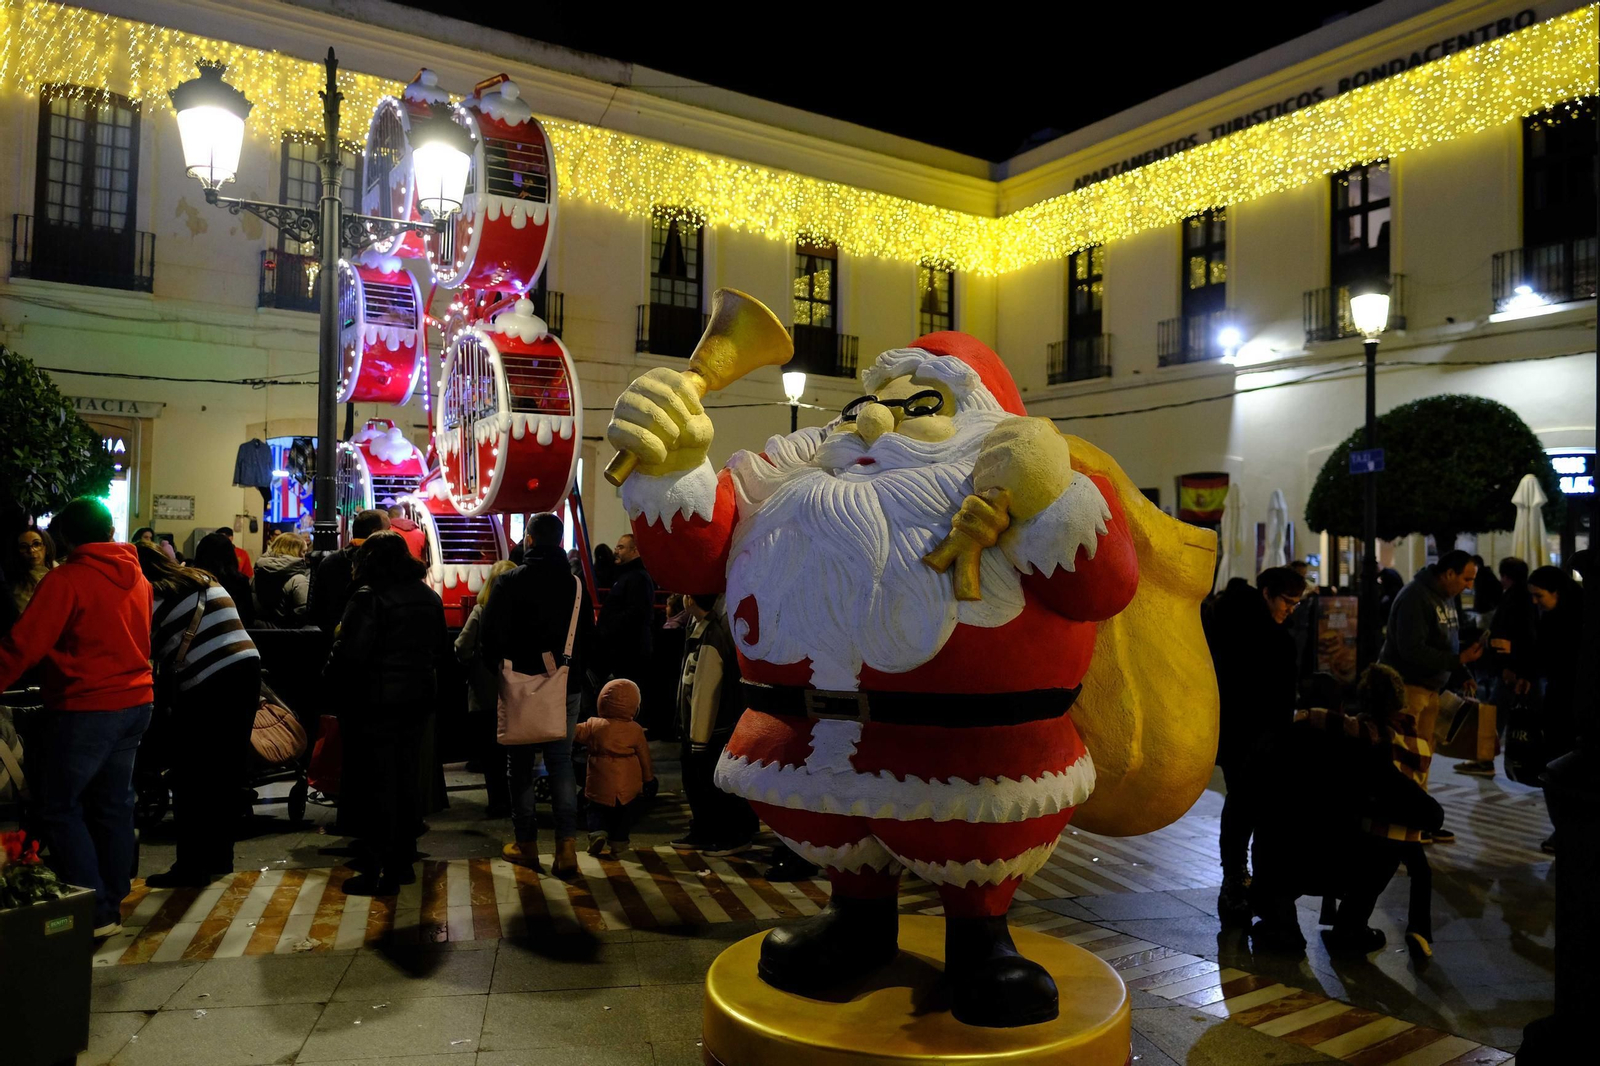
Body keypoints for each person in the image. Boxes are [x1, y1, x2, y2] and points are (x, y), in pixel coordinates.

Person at [0, 498, 153, 936]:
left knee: (58, 806)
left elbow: (23, 645)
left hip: (87, 706)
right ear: (110, 531)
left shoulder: (66, 580)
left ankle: (96, 910)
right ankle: (112, 898)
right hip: (136, 702)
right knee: (113, 804)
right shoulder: (138, 576)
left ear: (64, 538)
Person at [1242, 667, 1443, 954]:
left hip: (1278, 864)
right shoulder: (1363, 749)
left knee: (1270, 843)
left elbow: (1243, 807)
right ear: (1340, 708)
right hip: (1339, 863)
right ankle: (1351, 927)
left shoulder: (1273, 741)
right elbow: (1420, 808)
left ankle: (1282, 924)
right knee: (1388, 842)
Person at [324, 531, 447, 895]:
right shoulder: (428, 597)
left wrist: (328, 680)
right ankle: (402, 861)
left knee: (376, 784)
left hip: (374, 702)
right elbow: (441, 649)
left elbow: (350, 653)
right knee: (407, 780)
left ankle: (377, 868)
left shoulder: (369, 596)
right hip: (418, 700)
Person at [137, 544, 260, 887]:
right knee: (225, 774)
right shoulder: (202, 579)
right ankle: (220, 858)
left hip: (208, 681)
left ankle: (191, 867)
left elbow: (143, 649)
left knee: (191, 777)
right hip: (246, 671)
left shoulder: (152, 596)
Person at [482, 512, 594, 880]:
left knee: (519, 764)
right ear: (560, 541)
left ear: (528, 540)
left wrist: (500, 670)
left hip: (519, 683)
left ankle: (526, 844)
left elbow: (490, 636)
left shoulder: (509, 581)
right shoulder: (575, 586)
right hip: (565, 684)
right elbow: (589, 636)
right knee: (561, 761)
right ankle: (566, 849)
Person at [1204, 566, 1305, 925]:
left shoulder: (1255, 627)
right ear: (1266, 594)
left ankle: (1245, 879)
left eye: (1296, 603)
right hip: (1245, 734)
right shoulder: (1243, 629)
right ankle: (1236, 878)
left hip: (1257, 736)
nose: (1290, 609)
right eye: (1287, 601)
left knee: (1250, 805)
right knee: (1244, 805)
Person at [1326, 664, 1446, 958]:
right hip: (1405, 826)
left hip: (1370, 821)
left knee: (1370, 878)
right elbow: (1423, 757)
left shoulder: (1357, 727)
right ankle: (1418, 930)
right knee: (1420, 873)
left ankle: (1348, 925)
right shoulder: (1404, 732)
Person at [1378, 550, 1484, 844]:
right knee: (1406, 757)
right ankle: (1405, 822)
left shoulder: (1445, 597)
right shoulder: (1415, 597)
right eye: (1466, 579)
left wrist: (1461, 670)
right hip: (1408, 687)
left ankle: (1419, 819)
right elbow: (1411, 650)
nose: (1469, 586)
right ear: (1448, 573)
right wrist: (1457, 661)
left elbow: (1448, 643)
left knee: (1422, 756)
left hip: (1431, 688)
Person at [671, 593, 758, 854]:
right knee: (699, 781)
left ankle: (731, 834)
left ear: (691, 600)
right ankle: (705, 829)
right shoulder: (702, 627)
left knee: (713, 783)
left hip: (713, 726)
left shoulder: (714, 633)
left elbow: (707, 689)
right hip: (702, 725)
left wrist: (698, 736)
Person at [1456, 557, 1535, 778]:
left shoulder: (1515, 599)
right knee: (1496, 713)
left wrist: (1510, 665)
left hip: (1510, 668)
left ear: (1506, 576)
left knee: (1493, 714)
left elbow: (1517, 634)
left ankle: (1484, 760)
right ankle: (1484, 759)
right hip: (1512, 667)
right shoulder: (1522, 597)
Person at [454, 558, 518, 818]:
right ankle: (518, 801)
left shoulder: (480, 611)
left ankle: (497, 802)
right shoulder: (523, 614)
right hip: (517, 693)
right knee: (516, 752)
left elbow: (462, 646)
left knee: (491, 754)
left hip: (485, 691)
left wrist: (472, 664)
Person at [577, 679, 657, 856]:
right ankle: (619, 843)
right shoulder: (636, 730)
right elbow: (644, 758)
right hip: (627, 785)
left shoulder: (593, 725)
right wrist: (648, 779)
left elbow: (572, 732)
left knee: (595, 808)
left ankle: (597, 832)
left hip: (599, 781)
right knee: (623, 815)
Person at [311, 509, 389, 632]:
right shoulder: (385, 562)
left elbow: (317, 607)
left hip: (333, 633)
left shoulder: (329, 561)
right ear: (375, 532)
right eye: (388, 530)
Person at [596, 533, 655, 684]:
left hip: (628, 652)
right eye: (616, 547)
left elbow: (635, 614)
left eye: (621, 547)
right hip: (624, 649)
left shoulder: (638, 578)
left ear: (635, 550)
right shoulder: (628, 576)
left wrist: (607, 627)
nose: (616, 551)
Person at [192, 532, 255, 628]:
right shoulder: (240, 582)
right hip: (232, 632)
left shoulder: (193, 580)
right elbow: (248, 617)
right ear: (231, 555)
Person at [251, 533, 313, 626]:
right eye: (303, 552)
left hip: (259, 629)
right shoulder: (298, 580)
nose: (305, 556)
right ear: (295, 552)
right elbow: (303, 613)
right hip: (286, 632)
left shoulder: (259, 573)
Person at [9, 526, 55, 618]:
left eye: (36, 544)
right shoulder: (20, 586)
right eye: (23, 547)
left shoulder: (58, 569)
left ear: (46, 546)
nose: (31, 550)